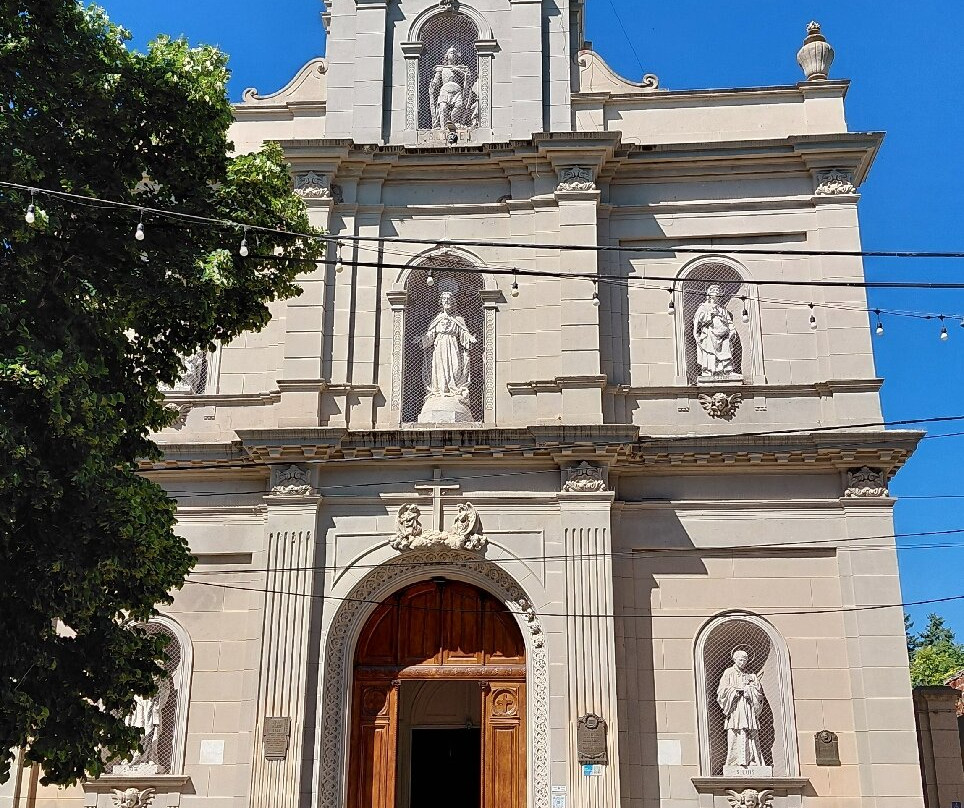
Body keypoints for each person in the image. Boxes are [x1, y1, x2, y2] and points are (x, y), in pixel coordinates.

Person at [421, 290, 477, 403]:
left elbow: (463, 332)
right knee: (439, 370)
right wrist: (422, 339)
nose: (446, 301)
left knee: (455, 368)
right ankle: (439, 391)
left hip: (453, 346)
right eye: (444, 299)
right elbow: (430, 334)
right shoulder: (437, 319)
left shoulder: (458, 319)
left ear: (453, 302)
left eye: (449, 299)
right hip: (439, 346)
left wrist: (470, 338)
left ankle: (454, 391)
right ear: (441, 302)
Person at [716, 648, 765, 768]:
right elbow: (722, 691)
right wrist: (735, 691)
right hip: (735, 708)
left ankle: (752, 760)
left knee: (750, 733)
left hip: (748, 708)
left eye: (745, 660)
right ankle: (735, 761)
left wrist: (749, 689)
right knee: (735, 732)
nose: (743, 662)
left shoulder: (750, 675)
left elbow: (759, 694)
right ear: (735, 659)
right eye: (741, 660)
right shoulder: (729, 672)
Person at [693, 284, 737, 377]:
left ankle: (727, 370)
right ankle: (710, 371)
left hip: (724, 334)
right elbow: (698, 320)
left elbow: (729, 321)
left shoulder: (722, 309)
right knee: (710, 351)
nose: (716, 292)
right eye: (714, 290)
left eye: (718, 290)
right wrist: (710, 315)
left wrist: (732, 329)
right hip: (710, 333)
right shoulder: (703, 307)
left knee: (726, 350)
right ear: (709, 293)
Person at [430, 46, 479, 129]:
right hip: (445, 91)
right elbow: (436, 81)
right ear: (447, 56)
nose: (452, 54)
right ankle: (443, 127)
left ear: (457, 57)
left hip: (457, 91)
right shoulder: (441, 69)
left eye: (454, 53)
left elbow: (468, 79)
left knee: (458, 107)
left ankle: (454, 123)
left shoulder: (462, 68)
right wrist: (434, 84)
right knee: (443, 107)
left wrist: (458, 71)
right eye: (451, 53)